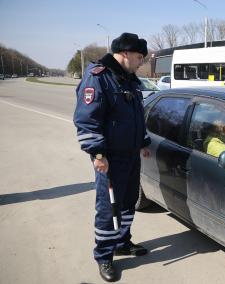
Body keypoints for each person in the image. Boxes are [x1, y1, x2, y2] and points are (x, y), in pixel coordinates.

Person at [73, 32, 151, 282]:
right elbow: (87, 120)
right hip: (109, 159)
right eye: (139, 57)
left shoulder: (128, 79)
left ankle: (122, 242)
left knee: (128, 202)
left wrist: (143, 142)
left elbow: (136, 115)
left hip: (131, 155)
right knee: (108, 207)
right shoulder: (99, 77)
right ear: (125, 53)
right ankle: (104, 256)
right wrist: (97, 153)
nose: (141, 62)